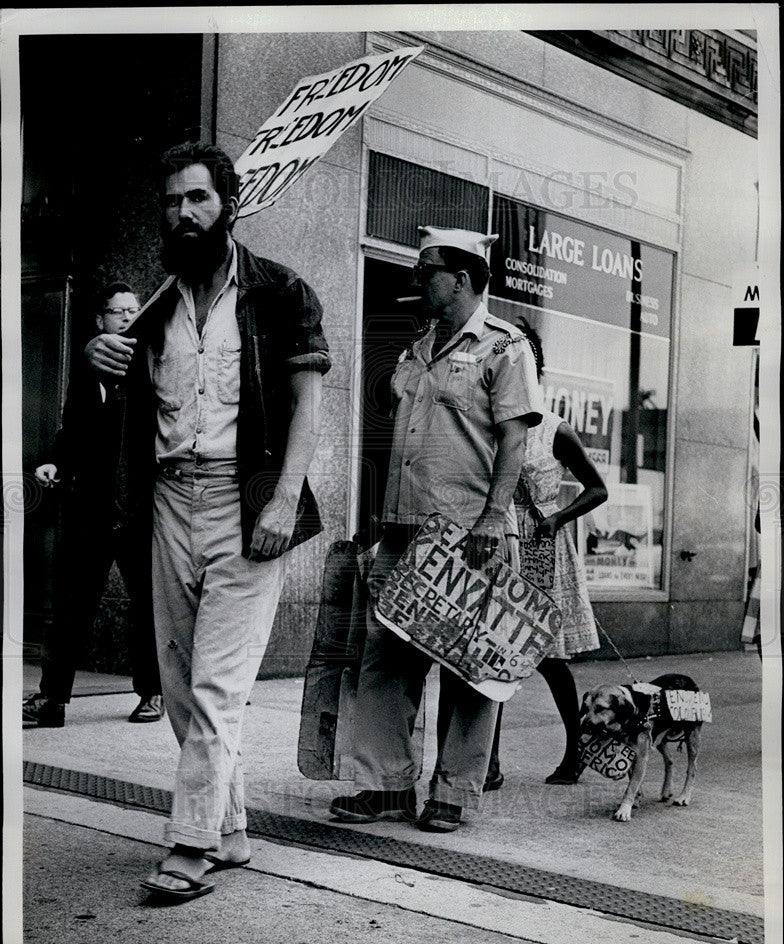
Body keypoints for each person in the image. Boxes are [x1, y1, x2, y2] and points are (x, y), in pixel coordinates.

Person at [87, 141, 330, 901]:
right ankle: (231, 830)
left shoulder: (281, 292)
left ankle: (189, 846)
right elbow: (119, 381)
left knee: (219, 686)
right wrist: (98, 352)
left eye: (197, 199)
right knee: (180, 682)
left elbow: (306, 405)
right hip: (167, 500)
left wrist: (283, 497)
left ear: (229, 203)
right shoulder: (157, 306)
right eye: (171, 202)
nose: (183, 213)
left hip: (244, 497)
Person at [330, 226, 544, 833]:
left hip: (469, 535)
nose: (418, 280)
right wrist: (376, 523)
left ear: (464, 278)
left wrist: (494, 516)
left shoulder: (507, 348)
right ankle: (385, 786)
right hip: (402, 532)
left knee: (473, 665)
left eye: (427, 270)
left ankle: (452, 793)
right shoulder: (415, 349)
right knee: (384, 659)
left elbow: (514, 439)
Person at [23, 283, 164, 729]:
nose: (126, 317)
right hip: (90, 507)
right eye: (117, 311)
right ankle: (52, 699)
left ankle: (152, 692)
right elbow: (71, 430)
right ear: (99, 320)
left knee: (148, 604)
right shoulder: (86, 372)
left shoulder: (153, 362)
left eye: (133, 310)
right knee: (69, 604)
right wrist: (51, 460)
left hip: (142, 507)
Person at [483, 320, 608, 787]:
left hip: (540, 549)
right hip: (495, 547)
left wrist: (557, 518)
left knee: (548, 659)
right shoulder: (487, 423)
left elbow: (598, 489)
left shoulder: (554, 428)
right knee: (491, 655)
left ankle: (575, 752)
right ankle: (487, 764)